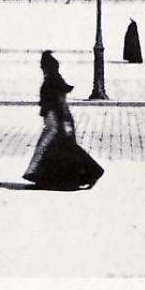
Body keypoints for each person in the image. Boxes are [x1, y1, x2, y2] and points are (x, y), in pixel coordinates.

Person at [23, 52, 104, 190]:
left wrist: (58, 121)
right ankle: (88, 173)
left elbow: (58, 103)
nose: (42, 68)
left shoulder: (50, 82)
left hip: (56, 120)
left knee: (51, 147)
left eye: (43, 66)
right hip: (60, 119)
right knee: (62, 149)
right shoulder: (55, 79)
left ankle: (90, 173)